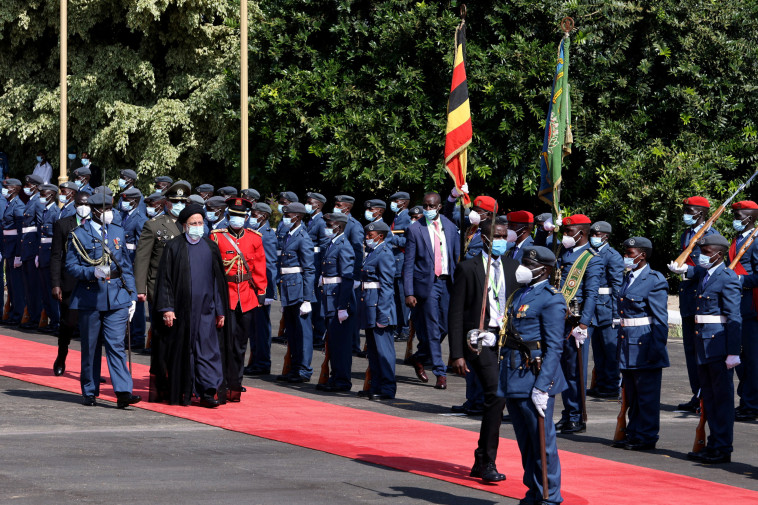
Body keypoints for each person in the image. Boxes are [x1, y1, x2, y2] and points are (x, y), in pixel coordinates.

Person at [449, 218, 519, 481]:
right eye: (497, 236)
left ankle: (480, 458)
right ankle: (488, 462)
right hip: (478, 341)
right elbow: (455, 312)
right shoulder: (468, 268)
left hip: (505, 340)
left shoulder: (513, 267)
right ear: (485, 238)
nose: (501, 240)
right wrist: (456, 353)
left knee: (498, 397)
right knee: (496, 393)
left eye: (505, 236)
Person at [502, 246, 567, 504]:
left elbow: (554, 347)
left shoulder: (551, 298)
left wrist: (543, 387)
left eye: (529, 264)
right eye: (524, 262)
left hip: (535, 375)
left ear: (545, 270)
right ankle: (534, 490)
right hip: (514, 373)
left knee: (542, 442)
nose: (523, 268)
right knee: (526, 442)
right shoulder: (519, 294)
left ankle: (550, 497)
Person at [149, 204, 230, 408]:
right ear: (184, 226)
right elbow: (165, 281)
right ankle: (184, 392)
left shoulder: (210, 247)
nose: (197, 227)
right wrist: (167, 308)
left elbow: (217, 282)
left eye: (200, 223)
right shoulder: (174, 247)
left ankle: (208, 392)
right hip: (181, 313)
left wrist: (220, 310)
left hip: (206, 311)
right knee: (183, 353)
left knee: (207, 352)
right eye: (193, 223)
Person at [671, 234, 741, 464]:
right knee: (708, 398)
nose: (700, 256)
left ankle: (722, 447)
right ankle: (712, 443)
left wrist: (733, 351)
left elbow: (733, 317)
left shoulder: (727, 277)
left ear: (719, 255)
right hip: (703, 343)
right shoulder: (705, 273)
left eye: (706, 252)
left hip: (719, 345)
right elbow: (688, 270)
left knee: (721, 399)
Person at [65, 192, 140, 408]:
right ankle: (89, 390)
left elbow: (125, 266)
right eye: (106, 210)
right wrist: (92, 272)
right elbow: (71, 266)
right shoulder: (79, 234)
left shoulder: (117, 231)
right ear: (96, 211)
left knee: (116, 344)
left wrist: (132, 296)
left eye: (111, 209)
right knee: (90, 347)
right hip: (91, 296)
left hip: (117, 296)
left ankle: (123, 392)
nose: (110, 213)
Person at [612, 237, 669, 451]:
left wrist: (656, 348)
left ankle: (646, 435)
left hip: (645, 343)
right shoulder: (629, 277)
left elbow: (661, 320)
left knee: (647, 396)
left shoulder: (655, 280)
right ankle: (634, 432)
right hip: (628, 343)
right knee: (632, 394)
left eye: (629, 253)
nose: (625, 257)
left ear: (642, 255)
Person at [211, 197, 267, 401]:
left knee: (240, 344)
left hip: (247, 296)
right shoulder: (217, 237)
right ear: (227, 216)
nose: (237, 219)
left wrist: (261, 293)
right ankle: (221, 384)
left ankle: (235, 385)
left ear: (246, 217)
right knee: (223, 343)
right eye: (233, 215)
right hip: (226, 295)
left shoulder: (255, 238)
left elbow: (260, 267)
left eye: (240, 216)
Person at [404, 191, 460, 389]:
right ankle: (440, 372)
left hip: (447, 282)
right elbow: (408, 263)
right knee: (433, 329)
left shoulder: (450, 227)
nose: (427, 210)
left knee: (445, 326)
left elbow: (455, 257)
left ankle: (419, 357)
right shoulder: (415, 229)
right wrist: (409, 292)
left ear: (439, 206)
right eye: (425, 206)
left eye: (431, 206)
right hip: (426, 285)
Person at [673, 196, 722, 413]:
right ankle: (697, 394)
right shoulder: (688, 234)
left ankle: (707, 395)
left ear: (701, 213)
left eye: (689, 210)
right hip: (688, 299)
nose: (686, 214)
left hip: (702, 300)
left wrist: (688, 271)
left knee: (703, 352)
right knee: (691, 351)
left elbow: (715, 268)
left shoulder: (711, 236)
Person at [555, 213, 603, 434]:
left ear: (581, 234)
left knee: (576, 371)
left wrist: (584, 324)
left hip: (576, 320)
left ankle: (577, 415)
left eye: (568, 232)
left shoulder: (591, 258)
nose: (565, 236)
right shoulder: (563, 253)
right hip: (560, 318)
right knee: (564, 370)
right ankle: (568, 412)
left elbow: (592, 294)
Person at [314, 212, 356, 392]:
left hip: (338, 301)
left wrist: (342, 307)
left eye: (329, 225)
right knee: (333, 343)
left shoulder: (344, 246)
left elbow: (346, 279)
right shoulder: (333, 244)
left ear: (338, 226)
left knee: (341, 345)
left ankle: (342, 381)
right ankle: (335, 377)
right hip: (329, 300)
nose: (326, 228)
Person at [355, 220, 396, 400]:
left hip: (380, 307)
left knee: (384, 351)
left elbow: (387, 286)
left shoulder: (385, 253)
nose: (367, 238)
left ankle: (387, 388)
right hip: (370, 305)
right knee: (372, 350)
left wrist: (383, 314)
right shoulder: (373, 252)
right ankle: (376, 385)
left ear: (381, 236)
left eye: (370, 236)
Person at [275, 202, 316, 383]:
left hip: (299, 290)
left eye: (288, 215)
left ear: (297, 217)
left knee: (303, 332)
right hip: (288, 288)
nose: (285, 218)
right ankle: (295, 366)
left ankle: (304, 369)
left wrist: (307, 298)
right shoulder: (288, 236)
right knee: (292, 332)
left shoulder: (303, 237)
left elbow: (309, 269)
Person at [50, 191, 90, 375]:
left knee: (91, 329)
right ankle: (61, 357)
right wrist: (56, 283)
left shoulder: (97, 225)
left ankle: (90, 368)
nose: (84, 207)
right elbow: (56, 256)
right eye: (81, 203)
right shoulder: (63, 224)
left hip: (91, 283)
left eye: (88, 204)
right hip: (69, 283)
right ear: (75, 205)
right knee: (67, 324)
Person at [134, 181, 188, 307]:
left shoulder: (191, 224)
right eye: (175, 202)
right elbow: (143, 257)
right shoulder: (153, 225)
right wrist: (141, 288)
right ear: (167, 203)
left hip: (185, 284)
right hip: (161, 285)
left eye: (182, 202)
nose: (179, 205)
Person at [587, 221, 625, 398]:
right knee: (598, 350)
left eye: (597, 234)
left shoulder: (613, 256)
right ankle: (600, 384)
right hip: (593, 307)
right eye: (592, 233)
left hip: (607, 308)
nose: (594, 237)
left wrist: (617, 313)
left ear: (606, 237)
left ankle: (611, 386)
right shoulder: (589, 252)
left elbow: (617, 287)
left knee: (610, 350)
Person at [729, 200, 758, 422]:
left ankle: (751, 404)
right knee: (738, 357)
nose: (736, 220)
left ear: (750, 217)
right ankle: (746, 399)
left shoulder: (756, 241)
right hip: (735, 305)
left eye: (739, 216)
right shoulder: (739, 239)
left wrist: (740, 279)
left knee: (751, 358)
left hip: (749, 304)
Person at [244, 203, 278, 375]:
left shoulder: (268, 236)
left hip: (261, 288)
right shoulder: (253, 232)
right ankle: (256, 360)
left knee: (262, 328)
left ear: (263, 216)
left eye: (255, 214)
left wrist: (269, 291)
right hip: (251, 287)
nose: (251, 217)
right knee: (253, 328)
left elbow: (270, 265)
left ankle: (263, 362)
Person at [332, 194, 364, 356]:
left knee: (351, 311)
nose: (336, 207)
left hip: (349, 274)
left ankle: (353, 344)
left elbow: (358, 253)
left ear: (347, 207)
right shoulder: (334, 223)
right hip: (336, 274)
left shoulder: (354, 226)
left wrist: (357, 276)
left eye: (338, 205)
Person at [120, 187, 148, 350]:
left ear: (136, 201)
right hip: (124, 263)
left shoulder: (140, 218)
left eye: (127, 200)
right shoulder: (125, 216)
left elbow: (141, 248)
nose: (123, 203)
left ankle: (138, 336)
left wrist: (137, 268)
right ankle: (129, 334)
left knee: (136, 304)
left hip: (132, 263)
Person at [36, 184, 61, 333]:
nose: (41, 197)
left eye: (43, 194)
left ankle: (57, 321)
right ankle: (52, 320)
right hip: (43, 253)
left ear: (51, 195)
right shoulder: (46, 211)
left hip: (51, 254)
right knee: (45, 290)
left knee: (52, 290)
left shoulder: (55, 212)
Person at [305, 192, 329, 349]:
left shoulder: (321, 222)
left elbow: (324, 247)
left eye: (310, 202)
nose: (307, 205)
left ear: (318, 205)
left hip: (316, 266)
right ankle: (316, 333)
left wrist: (322, 271)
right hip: (311, 265)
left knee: (318, 303)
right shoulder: (311, 221)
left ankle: (320, 335)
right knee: (312, 301)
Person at [20, 174, 43, 330]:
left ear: (35, 186)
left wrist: (38, 252)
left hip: (33, 246)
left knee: (34, 286)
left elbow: (41, 227)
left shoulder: (38, 202)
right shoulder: (31, 201)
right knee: (28, 285)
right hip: (26, 247)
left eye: (29, 185)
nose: (27, 187)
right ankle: (32, 316)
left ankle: (36, 318)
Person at [1, 179, 26, 326]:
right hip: (8, 248)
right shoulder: (10, 204)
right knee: (10, 284)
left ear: (15, 189)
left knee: (16, 285)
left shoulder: (18, 206)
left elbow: (20, 233)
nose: (4, 189)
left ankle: (19, 314)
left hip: (14, 249)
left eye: (7, 187)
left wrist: (18, 254)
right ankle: (13, 312)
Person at [388, 191, 411, 341]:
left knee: (403, 298)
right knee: (396, 297)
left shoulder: (407, 217)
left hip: (401, 262)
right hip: (395, 262)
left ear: (403, 202)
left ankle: (405, 328)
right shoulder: (398, 216)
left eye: (396, 201)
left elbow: (408, 241)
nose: (393, 204)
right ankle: (399, 327)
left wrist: (391, 237)